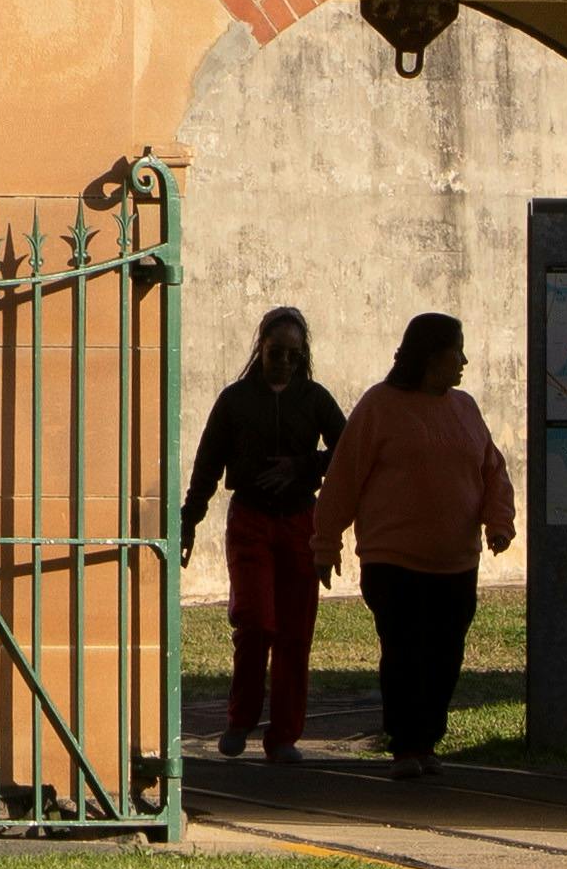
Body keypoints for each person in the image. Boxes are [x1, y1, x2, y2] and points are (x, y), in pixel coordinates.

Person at [304, 310, 514, 782]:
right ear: (429, 354)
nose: (463, 360)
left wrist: (498, 522)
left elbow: (492, 471)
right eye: (455, 350)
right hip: (393, 560)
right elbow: (343, 478)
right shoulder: (380, 406)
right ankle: (405, 745)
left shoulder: (465, 408)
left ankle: (427, 740)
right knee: (403, 650)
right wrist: (326, 543)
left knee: (446, 654)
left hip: (456, 562)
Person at [175, 307, 344, 758]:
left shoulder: (315, 399)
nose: (285, 362)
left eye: (293, 354)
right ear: (260, 350)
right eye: (276, 353)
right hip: (249, 519)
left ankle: (284, 735)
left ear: (303, 355)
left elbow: (348, 450)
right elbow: (207, 463)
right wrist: (188, 519)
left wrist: (304, 466)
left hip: (299, 521)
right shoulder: (235, 401)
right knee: (255, 623)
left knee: (295, 633)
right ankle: (239, 719)